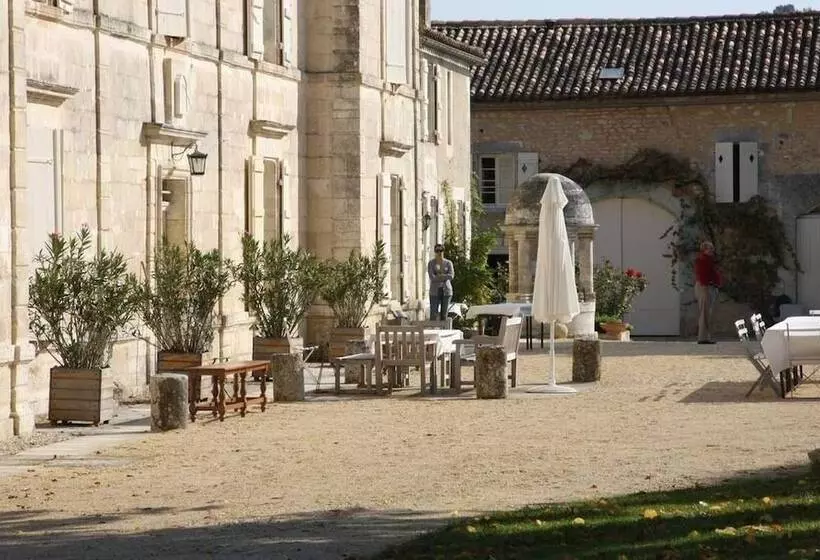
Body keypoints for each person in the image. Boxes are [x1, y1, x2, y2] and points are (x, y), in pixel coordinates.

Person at [694, 240, 722, 344]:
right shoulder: (702, 260)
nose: (712, 250)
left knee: (707, 313)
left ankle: (705, 336)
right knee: (704, 313)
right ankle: (702, 338)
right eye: (709, 248)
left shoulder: (709, 260)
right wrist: (709, 283)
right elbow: (702, 275)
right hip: (704, 287)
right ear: (704, 249)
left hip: (709, 287)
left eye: (712, 248)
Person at [427, 243, 455, 321]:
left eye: (441, 250)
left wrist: (440, 275)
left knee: (444, 314)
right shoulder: (431, 263)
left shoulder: (448, 263)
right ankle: (432, 331)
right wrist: (444, 276)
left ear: (443, 251)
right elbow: (432, 277)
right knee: (433, 313)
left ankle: (444, 331)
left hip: (446, 290)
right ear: (435, 252)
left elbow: (451, 276)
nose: (439, 252)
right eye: (437, 251)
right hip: (434, 291)